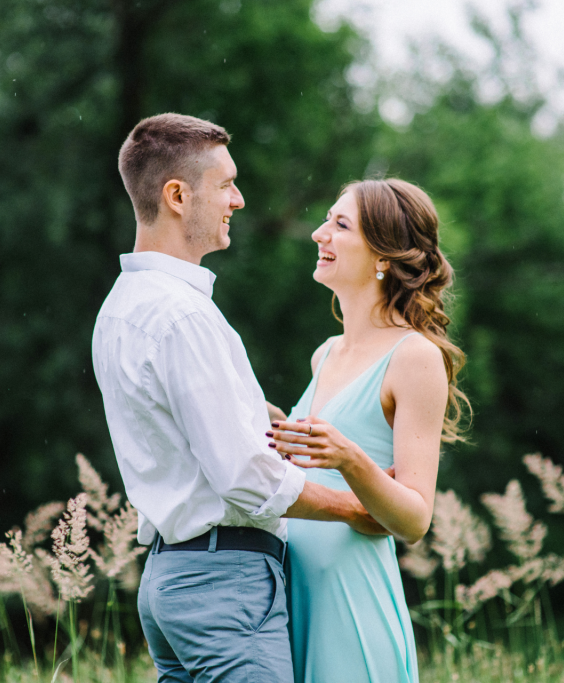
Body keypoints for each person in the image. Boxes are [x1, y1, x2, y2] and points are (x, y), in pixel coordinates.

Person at [91, 113, 382, 683]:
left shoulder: (120, 306)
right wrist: (355, 508)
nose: (239, 200)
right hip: (223, 586)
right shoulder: (182, 314)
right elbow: (244, 476)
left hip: (170, 582)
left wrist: (251, 412)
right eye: (226, 184)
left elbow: (175, 431)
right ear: (177, 196)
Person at [268, 178, 469, 683]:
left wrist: (351, 460)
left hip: (350, 600)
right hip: (290, 594)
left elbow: (415, 520)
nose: (319, 234)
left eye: (339, 225)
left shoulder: (415, 357)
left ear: (383, 256)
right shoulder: (325, 353)